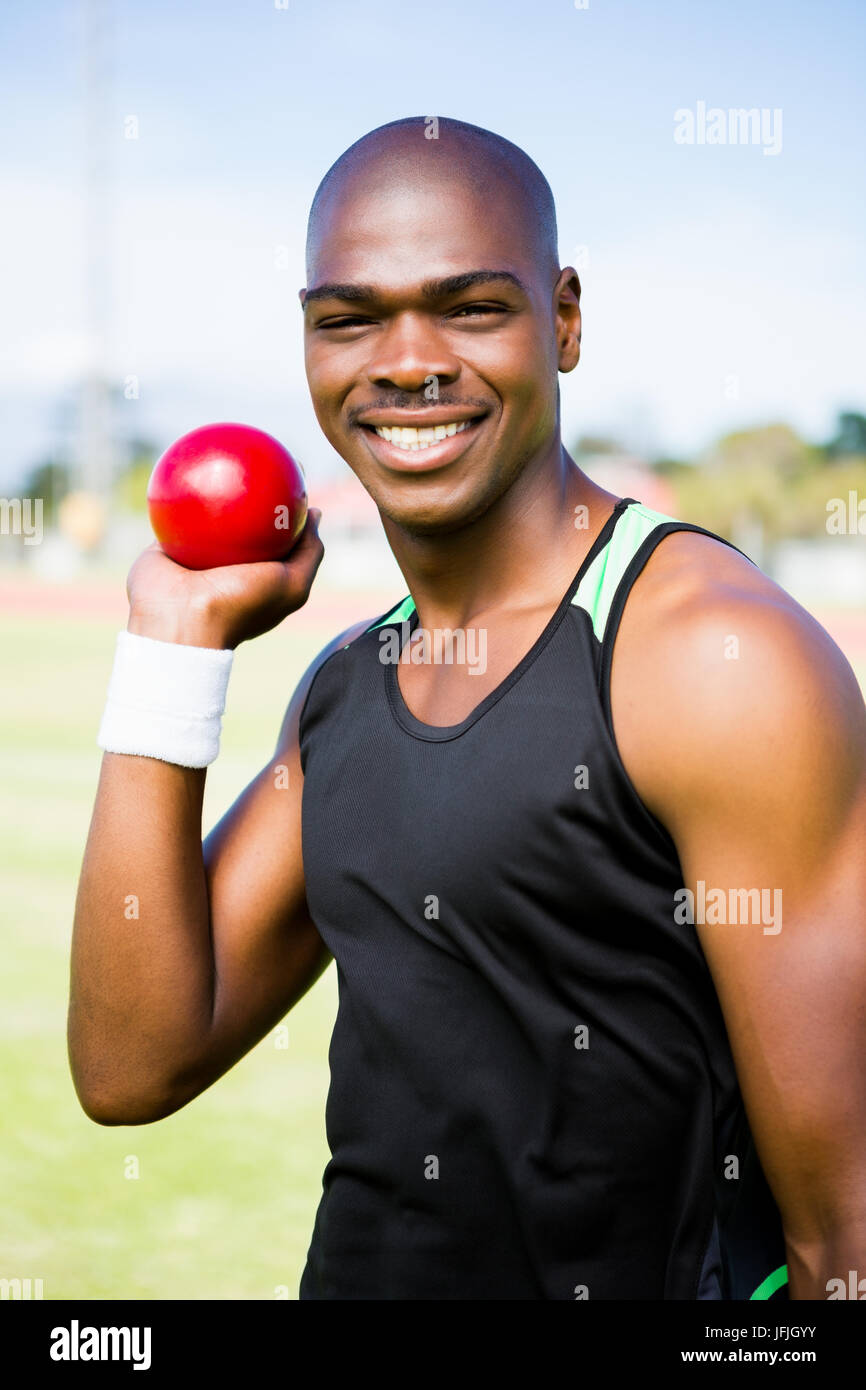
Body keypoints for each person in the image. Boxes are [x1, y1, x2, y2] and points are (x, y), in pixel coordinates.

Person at [70, 116, 866, 1301]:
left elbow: (842, 1240)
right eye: (348, 317)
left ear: (565, 319)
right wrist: (168, 647)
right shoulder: (346, 685)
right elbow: (131, 1063)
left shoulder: (715, 660)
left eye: (469, 306)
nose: (404, 361)